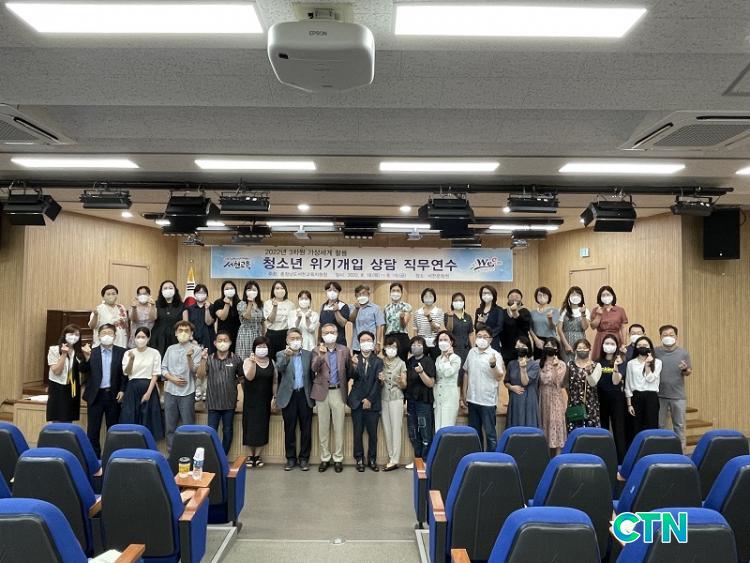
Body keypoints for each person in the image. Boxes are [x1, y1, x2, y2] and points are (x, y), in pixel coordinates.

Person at [80, 324, 126, 457]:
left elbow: (125, 374)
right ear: (98, 336)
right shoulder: (91, 352)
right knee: (93, 430)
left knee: (113, 429)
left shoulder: (122, 352)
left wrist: (122, 390)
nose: (107, 336)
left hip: (113, 395)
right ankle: (94, 459)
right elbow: (83, 369)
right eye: (104, 333)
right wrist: (87, 357)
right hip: (95, 395)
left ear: (115, 336)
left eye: (110, 333)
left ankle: (112, 457)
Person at [311, 323, 351, 473]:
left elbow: (349, 371)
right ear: (322, 335)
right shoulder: (316, 350)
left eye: (332, 332)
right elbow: (314, 368)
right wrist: (321, 357)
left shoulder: (344, 350)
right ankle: (325, 458)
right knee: (323, 427)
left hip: (338, 391)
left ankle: (338, 458)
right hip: (322, 392)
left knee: (339, 427)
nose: (329, 335)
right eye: (326, 332)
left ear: (337, 334)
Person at [196, 330, 244, 454]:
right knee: (211, 432)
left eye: (225, 340)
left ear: (230, 342)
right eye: (220, 340)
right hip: (213, 403)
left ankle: (223, 456)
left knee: (227, 431)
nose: (222, 343)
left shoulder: (236, 359)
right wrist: (202, 359)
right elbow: (200, 375)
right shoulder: (209, 358)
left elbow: (242, 378)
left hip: (229, 403)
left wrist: (240, 395)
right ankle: (213, 456)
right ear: (215, 343)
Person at [275, 328, 314, 471]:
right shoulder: (281, 354)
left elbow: (313, 373)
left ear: (302, 339)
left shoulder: (309, 355)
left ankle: (304, 458)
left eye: (298, 338)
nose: (295, 341)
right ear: (287, 340)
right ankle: (290, 458)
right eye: (292, 338)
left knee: (306, 429)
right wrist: (286, 356)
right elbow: (279, 368)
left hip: (305, 395)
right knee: (289, 428)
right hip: (289, 396)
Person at [461, 327, 504, 451]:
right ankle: (477, 458)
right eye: (479, 336)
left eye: (485, 336)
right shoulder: (471, 352)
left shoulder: (495, 355)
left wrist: (493, 365)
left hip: (487, 401)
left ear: (490, 339)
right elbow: (466, 372)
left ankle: (492, 459)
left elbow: (499, 377)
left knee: (490, 433)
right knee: (475, 433)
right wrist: (464, 392)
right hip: (472, 399)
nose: (481, 339)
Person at [161, 320, 202, 451]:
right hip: (170, 391)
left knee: (188, 426)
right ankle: (172, 452)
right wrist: (172, 379)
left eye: (186, 331)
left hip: (187, 392)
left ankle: (188, 453)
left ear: (191, 333)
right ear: (176, 333)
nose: (183, 333)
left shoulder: (197, 349)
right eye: (180, 330)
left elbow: (195, 371)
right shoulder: (170, 349)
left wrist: (189, 357)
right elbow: (163, 368)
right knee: (170, 426)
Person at [120, 327, 164, 440]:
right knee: (130, 416)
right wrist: (131, 360)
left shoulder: (155, 353)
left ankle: (148, 444)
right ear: (134, 338)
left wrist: (148, 393)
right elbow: (126, 372)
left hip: (149, 387)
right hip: (132, 387)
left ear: (148, 338)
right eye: (138, 337)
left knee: (148, 419)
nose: (140, 339)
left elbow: (155, 374)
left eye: (143, 337)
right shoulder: (128, 353)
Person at [348, 331, 383, 472]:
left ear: (373, 342)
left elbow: (378, 382)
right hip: (356, 401)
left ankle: (372, 459)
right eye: (363, 340)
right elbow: (351, 376)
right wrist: (354, 366)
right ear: (359, 343)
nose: (366, 343)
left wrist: (369, 399)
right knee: (357, 432)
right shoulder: (354, 359)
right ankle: (359, 459)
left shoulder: (379, 361)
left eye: (368, 340)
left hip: (373, 403)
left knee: (373, 434)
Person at [655, 325, 692, 451]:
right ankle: (660, 450)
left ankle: (680, 451)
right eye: (665, 335)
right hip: (659, 395)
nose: (668, 337)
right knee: (660, 425)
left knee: (679, 425)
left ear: (676, 337)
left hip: (678, 395)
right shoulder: (655, 351)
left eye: (671, 335)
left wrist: (685, 369)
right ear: (660, 337)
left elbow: (688, 372)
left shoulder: (683, 353)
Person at [242, 337, 277, 468]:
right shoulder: (248, 361)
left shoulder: (271, 362)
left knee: (263, 427)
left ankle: (257, 455)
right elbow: (249, 377)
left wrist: (275, 397)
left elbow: (274, 381)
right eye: (259, 346)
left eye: (264, 346)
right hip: (251, 400)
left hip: (265, 399)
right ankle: (250, 456)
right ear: (254, 348)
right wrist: (252, 363)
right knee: (249, 427)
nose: (262, 349)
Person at [46, 324, 90, 423]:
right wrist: (64, 354)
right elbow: (56, 371)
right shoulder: (54, 349)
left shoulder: (79, 351)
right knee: (57, 417)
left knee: (69, 417)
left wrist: (87, 356)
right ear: (65, 335)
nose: (74, 337)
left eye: (77, 335)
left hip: (73, 387)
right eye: (71, 334)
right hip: (58, 386)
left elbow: (84, 370)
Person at [596, 334, 627, 462]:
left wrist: (615, 366)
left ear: (616, 346)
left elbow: (616, 381)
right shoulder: (598, 362)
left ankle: (621, 460)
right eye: (607, 343)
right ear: (602, 346)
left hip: (617, 399)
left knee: (618, 429)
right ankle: (604, 456)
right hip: (601, 398)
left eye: (612, 344)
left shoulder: (621, 362)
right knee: (603, 428)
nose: (609, 346)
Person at [405, 336, 436, 464]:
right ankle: (418, 459)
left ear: (424, 347)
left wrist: (421, 372)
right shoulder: (409, 361)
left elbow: (431, 383)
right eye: (413, 344)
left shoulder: (428, 361)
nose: (415, 347)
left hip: (424, 401)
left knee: (425, 432)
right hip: (411, 401)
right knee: (413, 432)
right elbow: (407, 383)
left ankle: (425, 460)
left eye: (419, 344)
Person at [379, 335, 407, 471]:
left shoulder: (401, 363)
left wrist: (401, 382)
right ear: (384, 348)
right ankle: (391, 458)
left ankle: (395, 459)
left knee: (396, 428)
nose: (391, 349)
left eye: (394, 347)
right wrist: (380, 380)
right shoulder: (380, 362)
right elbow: (378, 384)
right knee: (387, 428)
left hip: (396, 397)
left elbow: (404, 385)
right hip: (384, 397)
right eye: (389, 346)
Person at [625, 336, 662, 434]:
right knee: (635, 427)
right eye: (639, 345)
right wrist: (629, 404)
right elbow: (628, 384)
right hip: (636, 397)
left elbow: (650, 379)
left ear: (650, 347)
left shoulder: (657, 362)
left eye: (645, 345)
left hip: (651, 397)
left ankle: (651, 444)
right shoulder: (631, 363)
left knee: (651, 426)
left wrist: (647, 365)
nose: (642, 347)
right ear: (635, 347)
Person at [538, 337, 568, 455]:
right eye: (547, 345)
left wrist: (555, 367)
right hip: (543, 397)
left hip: (556, 397)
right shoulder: (539, 363)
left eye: (552, 345)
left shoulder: (561, 364)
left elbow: (558, 382)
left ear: (557, 349)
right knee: (545, 424)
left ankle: (557, 458)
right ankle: (546, 458)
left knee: (556, 423)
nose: (549, 347)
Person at [565, 338, 602, 432]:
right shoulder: (570, 364)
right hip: (574, 403)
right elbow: (565, 383)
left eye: (585, 348)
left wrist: (589, 372)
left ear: (589, 349)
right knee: (575, 431)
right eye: (579, 348)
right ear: (575, 350)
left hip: (591, 403)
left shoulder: (596, 365)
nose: (582, 350)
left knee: (591, 431)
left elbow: (593, 383)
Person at [503, 336, 540, 428]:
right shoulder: (511, 364)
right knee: (514, 427)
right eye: (518, 347)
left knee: (529, 426)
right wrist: (511, 387)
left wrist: (523, 368)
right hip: (515, 399)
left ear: (528, 348)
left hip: (529, 399)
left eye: (523, 346)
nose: (520, 349)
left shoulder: (535, 364)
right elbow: (506, 381)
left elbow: (525, 382)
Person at [590, 285, 628, 360]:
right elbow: (593, 326)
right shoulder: (596, 310)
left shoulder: (620, 310)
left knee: (616, 359)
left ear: (612, 296)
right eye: (603, 295)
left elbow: (623, 327)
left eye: (608, 294)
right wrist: (598, 315)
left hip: (616, 337)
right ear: (600, 297)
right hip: (601, 338)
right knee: (599, 360)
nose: (606, 297)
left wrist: (624, 343)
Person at [444, 292, 474, 386]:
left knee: (465, 372)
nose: (458, 302)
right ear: (452, 302)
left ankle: (464, 393)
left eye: (460, 300)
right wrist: (450, 317)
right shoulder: (447, 315)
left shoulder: (467, 317)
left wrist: (473, 349)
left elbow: (470, 333)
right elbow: (449, 329)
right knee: (455, 372)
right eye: (456, 300)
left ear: (464, 302)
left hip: (466, 349)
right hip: (454, 349)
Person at [434, 330, 461, 430]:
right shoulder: (438, 358)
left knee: (447, 428)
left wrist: (447, 359)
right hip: (438, 396)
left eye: (445, 340)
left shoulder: (456, 358)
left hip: (450, 396)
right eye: (440, 340)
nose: (443, 342)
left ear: (451, 342)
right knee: (438, 428)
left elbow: (448, 373)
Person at [151, 280, 185, 357]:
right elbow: (152, 318)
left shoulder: (182, 305)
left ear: (175, 290)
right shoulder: (155, 304)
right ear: (161, 291)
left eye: (170, 288)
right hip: (158, 338)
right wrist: (152, 306)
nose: (168, 290)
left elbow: (185, 324)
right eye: (165, 288)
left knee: (174, 359)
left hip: (175, 338)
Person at [557, 286, 590, 362]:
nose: (575, 297)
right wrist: (566, 345)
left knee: (580, 362)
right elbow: (559, 329)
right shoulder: (563, 310)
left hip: (580, 340)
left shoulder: (585, 310)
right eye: (573, 294)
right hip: (566, 340)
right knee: (566, 363)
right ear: (569, 296)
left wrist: (583, 314)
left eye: (578, 294)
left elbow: (585, 327)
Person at [499, 289, 532, 366]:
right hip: (507, 348)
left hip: (521, 346)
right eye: (511, 296)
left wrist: (515, 312)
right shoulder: (503, 312)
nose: (514, 298)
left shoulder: (525, 311)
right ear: (508, 299)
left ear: (521, 299)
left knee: (523, 367)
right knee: (509, 369)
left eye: (517, 297)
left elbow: (526, 327)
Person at [264, 281, 295, 360]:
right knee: (270, 359)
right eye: (277, 288)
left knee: (284, 359)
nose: (280, 290)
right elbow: (271, 320)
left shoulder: (291, 304)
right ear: (273, 290)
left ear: (285, 290)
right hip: (271, 334)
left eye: (282, 288)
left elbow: (292, 322)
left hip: (284, 334)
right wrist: (275, 307)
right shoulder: (267, 303)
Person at [350, 285, 385, 355]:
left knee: (372, 362)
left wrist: (378, 343)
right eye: (359, 294)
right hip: (357, 344)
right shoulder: (352, 307)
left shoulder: (376, 308)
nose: (361, 296)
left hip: (371, 344)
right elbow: (351, 320)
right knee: (357, 361)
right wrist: (356, 309)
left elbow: (379, 326)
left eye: (364, 293)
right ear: (356, 296)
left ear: (368, 294)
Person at [383, 282, 412, 361]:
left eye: (398, 291)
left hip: (401, 337)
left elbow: (404, 325)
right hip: (389, 337)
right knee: (389, 360)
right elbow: (385, 326)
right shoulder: (386, 307)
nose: (395, 293)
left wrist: (401, 318)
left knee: (402, 361)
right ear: (390, 292)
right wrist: (383, 341)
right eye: (393, 290)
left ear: (401, 293)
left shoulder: (406, 306)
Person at [236, 281, 264, 360]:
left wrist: (263, 335)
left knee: (258, 358)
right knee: (245, 358)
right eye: (249, 290)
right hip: (245, 334)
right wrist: (250, 303)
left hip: (258, 334)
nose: (252, 292)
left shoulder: (260, 304)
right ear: (245, 292)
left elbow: (262, 321)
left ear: (258, 292)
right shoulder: (241, 304)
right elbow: (247, 317)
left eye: (254, 290)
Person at [183, 284, 215, 353]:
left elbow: (209, 322)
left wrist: (207, 309)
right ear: (194, 294)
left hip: (208, 339)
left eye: (203, 292)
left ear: (207, 295)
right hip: (194, 339)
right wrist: (191, 338)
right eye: (198, 292)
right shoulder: (189, 309)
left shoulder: (212, 307)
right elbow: (187, 325)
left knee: (208, 358)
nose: (200, 294)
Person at [530, 287, 560, 360]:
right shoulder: (532, 312)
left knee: (551, 362)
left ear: (549, 297)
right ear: (536, 297)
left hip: (550, 340)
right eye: (539, 295)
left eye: (544, 295)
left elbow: (553, 327)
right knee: (538, 362)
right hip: (537, 340)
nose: (542, 297)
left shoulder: (554, 310)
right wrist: (536, 339)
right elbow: (530, 328)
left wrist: (550, 319)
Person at [413, 288, 444, 359]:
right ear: (422, 298)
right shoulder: (417, 312)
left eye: (430, 296)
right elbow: (415, 330)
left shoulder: (439, 311)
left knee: (434, 362)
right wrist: (416, 343)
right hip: (421, 343)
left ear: (434, 298)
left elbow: (436, 329)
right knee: (422, 362)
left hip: (434, 343)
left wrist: (429, 317)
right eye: (426, 296)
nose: (428, 298)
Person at [318, 281, 350, 347]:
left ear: (338, 292)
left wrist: (336, 311)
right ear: (326, 291)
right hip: (324, 342)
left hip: (339, 342)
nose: (332, 292)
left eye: (335, 290)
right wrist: (318, 340)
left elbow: (343, 323)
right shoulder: (323, 306)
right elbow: (321, 325)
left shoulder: (343, 306)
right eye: (329, 290)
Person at [211, 281, 241, 349]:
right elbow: (222, 317)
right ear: (223, 291)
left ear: (235, 290)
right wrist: (227, 304)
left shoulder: (240, 303)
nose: (229, 290)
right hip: (223, 336)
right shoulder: (218, 302)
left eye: (231, 288)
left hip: (238, 335)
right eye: (227, 289)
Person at [474, 285, 503, 353]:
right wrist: (479, 323)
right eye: (484, 293)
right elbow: (476, 327)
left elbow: (499, 327)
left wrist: (487, 336)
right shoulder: (479, 310)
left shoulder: (499, 310)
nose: (486, 295)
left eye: (489, 293)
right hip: (480, 342)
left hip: (493, 342)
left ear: (493, 295)